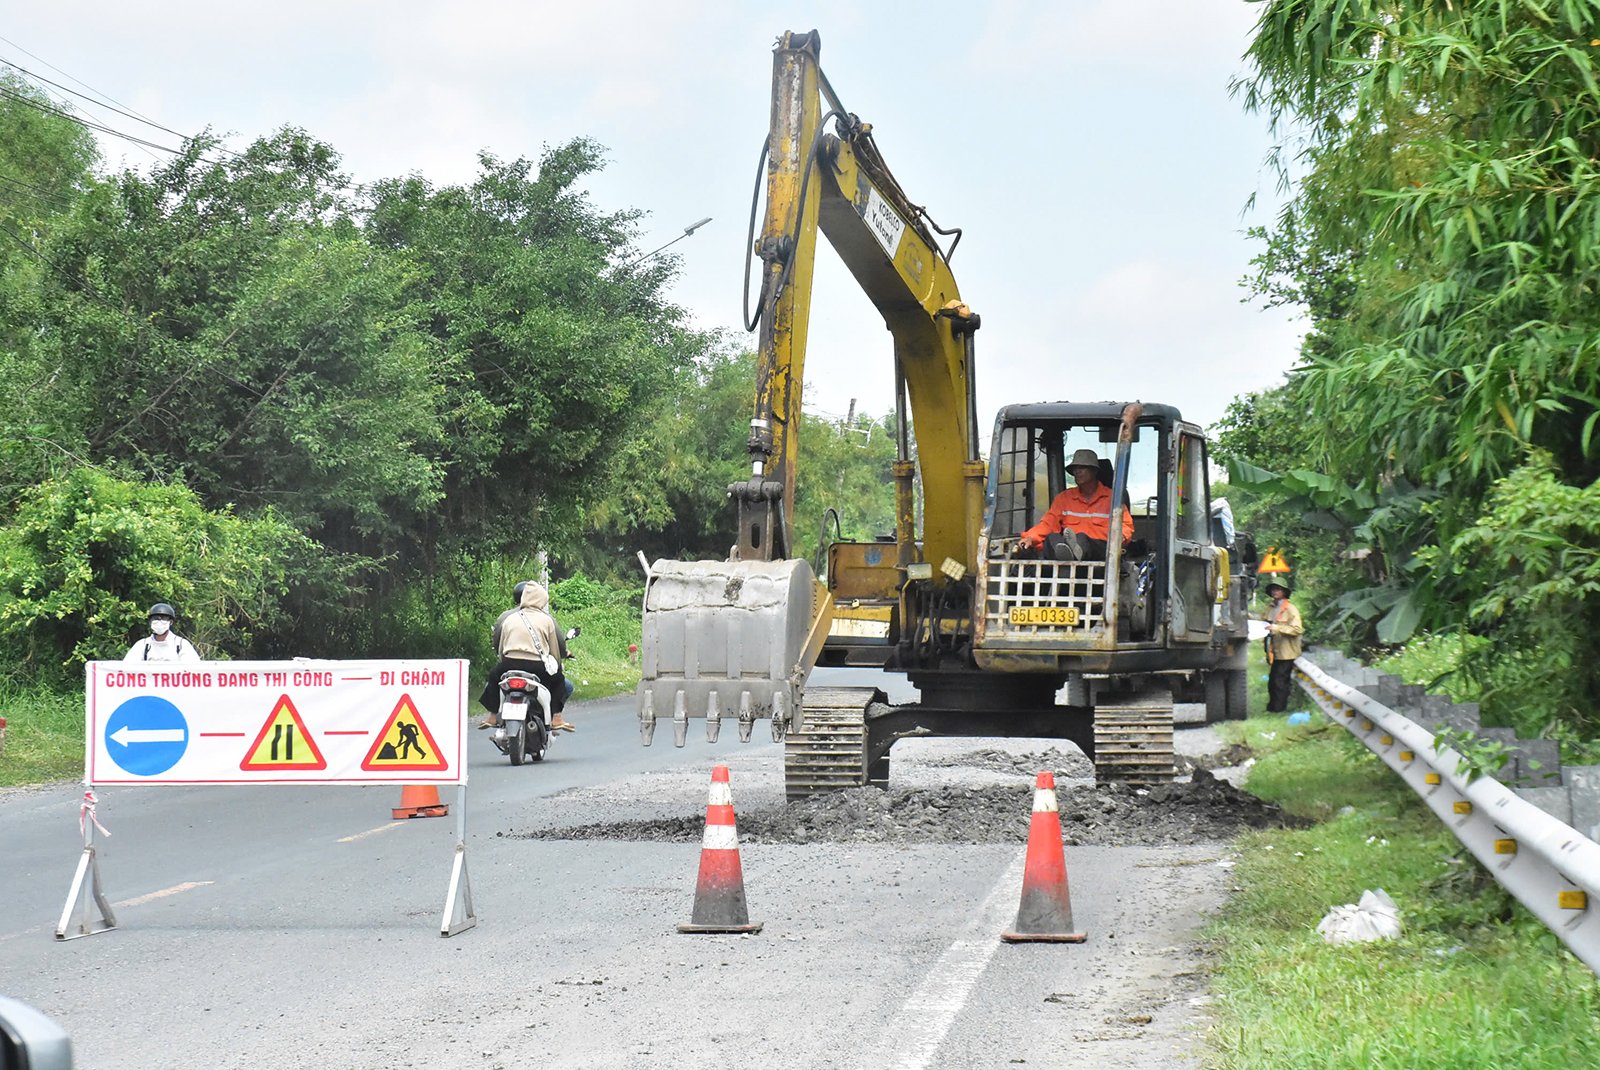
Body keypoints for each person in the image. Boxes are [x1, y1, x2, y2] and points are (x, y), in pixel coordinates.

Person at [479, 580, 574, 733]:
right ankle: (556, 717)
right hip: (537, 665)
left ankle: (492, 715)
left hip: (509, 663)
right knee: (559, 681)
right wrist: (557, 667)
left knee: (493, 678)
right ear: (541, 600)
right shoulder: (546, 620)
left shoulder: (509, 618)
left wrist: (505, 662)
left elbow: (502, 647)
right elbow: (555, 651)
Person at [1017, 448, 1135, 561]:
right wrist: (1030, 538)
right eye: (1075, 468)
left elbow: (1126, 526)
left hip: (1102, 551)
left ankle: (1075, 552)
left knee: (1082, 538)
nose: (1077, 472)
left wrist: (1119, 540)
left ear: (1094, 471)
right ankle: (1070, 554)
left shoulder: (1113, 499)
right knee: (1052, 538)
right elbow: (1048, 523)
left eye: (1082, 468)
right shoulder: (1064, 498)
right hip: (1070, 549)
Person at [1262, 580, 1304, 712]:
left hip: (1287, 653)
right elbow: (1262, 621)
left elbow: (1297, 629)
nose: (1275, 592)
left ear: (1284, 592)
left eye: (1278, 589)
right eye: (1273, 589)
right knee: (1273, 681)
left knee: (1280, 682)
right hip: (1274, 651)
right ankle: (1272, 708)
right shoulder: (1270, 608)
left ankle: (1279, 709)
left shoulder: (1291, 609)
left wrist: (1278, 628)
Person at [123, 602, 202, 662]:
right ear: (150, 622)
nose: (159, 622)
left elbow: (194, 669)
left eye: (163, 618)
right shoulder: (143, 645)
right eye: (155, 618)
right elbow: (127, 667)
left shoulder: (181, 645)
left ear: (170, 622)